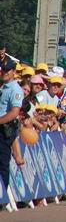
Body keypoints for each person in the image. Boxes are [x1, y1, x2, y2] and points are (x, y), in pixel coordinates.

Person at [0, 59, 23, 191]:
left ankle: (2, 195)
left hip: (4, 130)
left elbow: (14, 113)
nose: (5, 72)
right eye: (3, 69)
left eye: (8, 70)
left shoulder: (15, 89)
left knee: (2, 162)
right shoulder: (3, 86)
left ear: (14, 72)